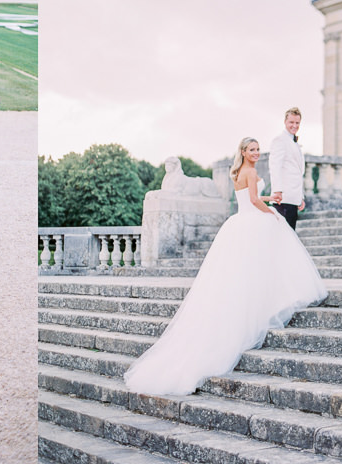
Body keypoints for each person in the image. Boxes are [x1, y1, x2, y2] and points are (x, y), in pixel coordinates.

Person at [123, 137, 327, 396]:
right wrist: (271, 211)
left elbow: (248, 196)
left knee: (240, 272)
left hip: (238, 222)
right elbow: (253, 201)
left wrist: (269, 197)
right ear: (243, 151)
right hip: (251, 219)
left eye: (257, 150)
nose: (256, 153)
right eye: (252, 150)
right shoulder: (251, 171)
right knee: (265, 257)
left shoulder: (238, 171)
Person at [269, 107, 305, 230]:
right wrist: (277, 191)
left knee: (291, 238)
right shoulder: (280, 140)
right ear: (285, 122)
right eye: (291, 122)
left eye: (297, 123)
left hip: (294, 199)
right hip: (283, 199)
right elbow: (275, 166)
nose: (294, 125)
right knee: (284, 238)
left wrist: (301, 197)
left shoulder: (293, 142)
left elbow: (298, 172)